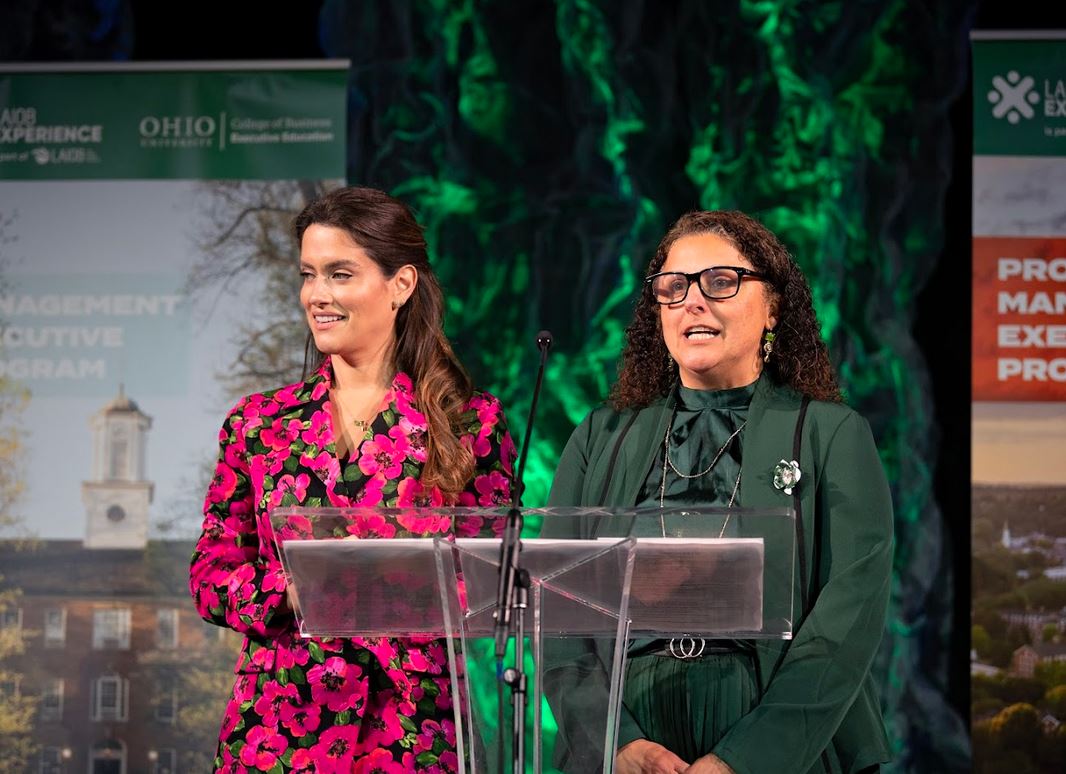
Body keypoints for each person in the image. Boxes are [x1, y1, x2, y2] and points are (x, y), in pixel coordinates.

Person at [546, 210, 893, 773]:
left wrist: (746, 759)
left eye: (721, 282)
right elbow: (555, 606)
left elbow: (846, 621)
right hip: (628, 730)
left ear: (773, 305)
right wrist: (616, 742)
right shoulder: (600, 436)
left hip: (775, 731)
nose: (693, 301)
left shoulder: (832, 434)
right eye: (674, 286)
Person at [190, 186, 516, 772]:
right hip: (276, 729)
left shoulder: (471, 423)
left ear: (401, 284)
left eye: (340, 274)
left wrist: (393, 578)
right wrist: (287, 592)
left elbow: (496, 579)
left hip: (413, 729)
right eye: (309, 275)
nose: (318, 295)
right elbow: (212, 573)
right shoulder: (257, 424)